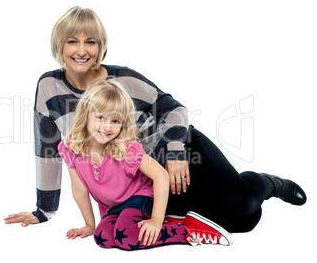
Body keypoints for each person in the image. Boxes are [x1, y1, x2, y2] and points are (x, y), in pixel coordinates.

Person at [4, 6, 307, 234]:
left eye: (91, 42)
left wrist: (175, 151)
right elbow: (47, 148)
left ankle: (269, 183)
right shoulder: (48, 87)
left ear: (101, 46)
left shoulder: (123, 78)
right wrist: (44, 210)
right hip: (142, 181)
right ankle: (248, 202)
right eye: (72, 42)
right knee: (243, 223)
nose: (82, 51)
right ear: (60, 45)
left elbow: (175, 109)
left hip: (179, 150)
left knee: (241, 202)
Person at [58, 78, 233, 249]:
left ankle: (188, 230)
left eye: (115, 121)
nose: (107, 127)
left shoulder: (126, 149)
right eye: (101, 117)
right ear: (86, 113)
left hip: (139, 197)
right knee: (102, 237)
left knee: (127, 235)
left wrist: (156, 220)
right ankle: (168, 223)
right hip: (114, 206)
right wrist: (89, 224)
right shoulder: (71, 147)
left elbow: (161, 175)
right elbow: (79, 190)